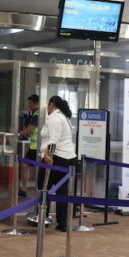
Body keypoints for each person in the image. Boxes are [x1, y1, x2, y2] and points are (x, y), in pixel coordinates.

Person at [38, 95, 77, 232]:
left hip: (56, 157)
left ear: (51, 105)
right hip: (68, 158)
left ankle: (43, 218)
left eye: (47, 106)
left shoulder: (54, 117)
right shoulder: (64, 117)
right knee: (62, 190)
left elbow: (54, 139)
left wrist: (48, 156)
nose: (47, 109)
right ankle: (63, 222)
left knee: (44, 187)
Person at [17, 94, 40, 197]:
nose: (29, 105)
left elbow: (31, 127)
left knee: (25, 165)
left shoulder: (38, 114)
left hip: (37, 147)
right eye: (29, 103)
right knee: (25, 165)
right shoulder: (32, 113)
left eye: (31, 103)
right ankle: (23, 189)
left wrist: (20, 133)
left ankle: (26, 189)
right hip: (33, 146)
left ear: (36, 103)